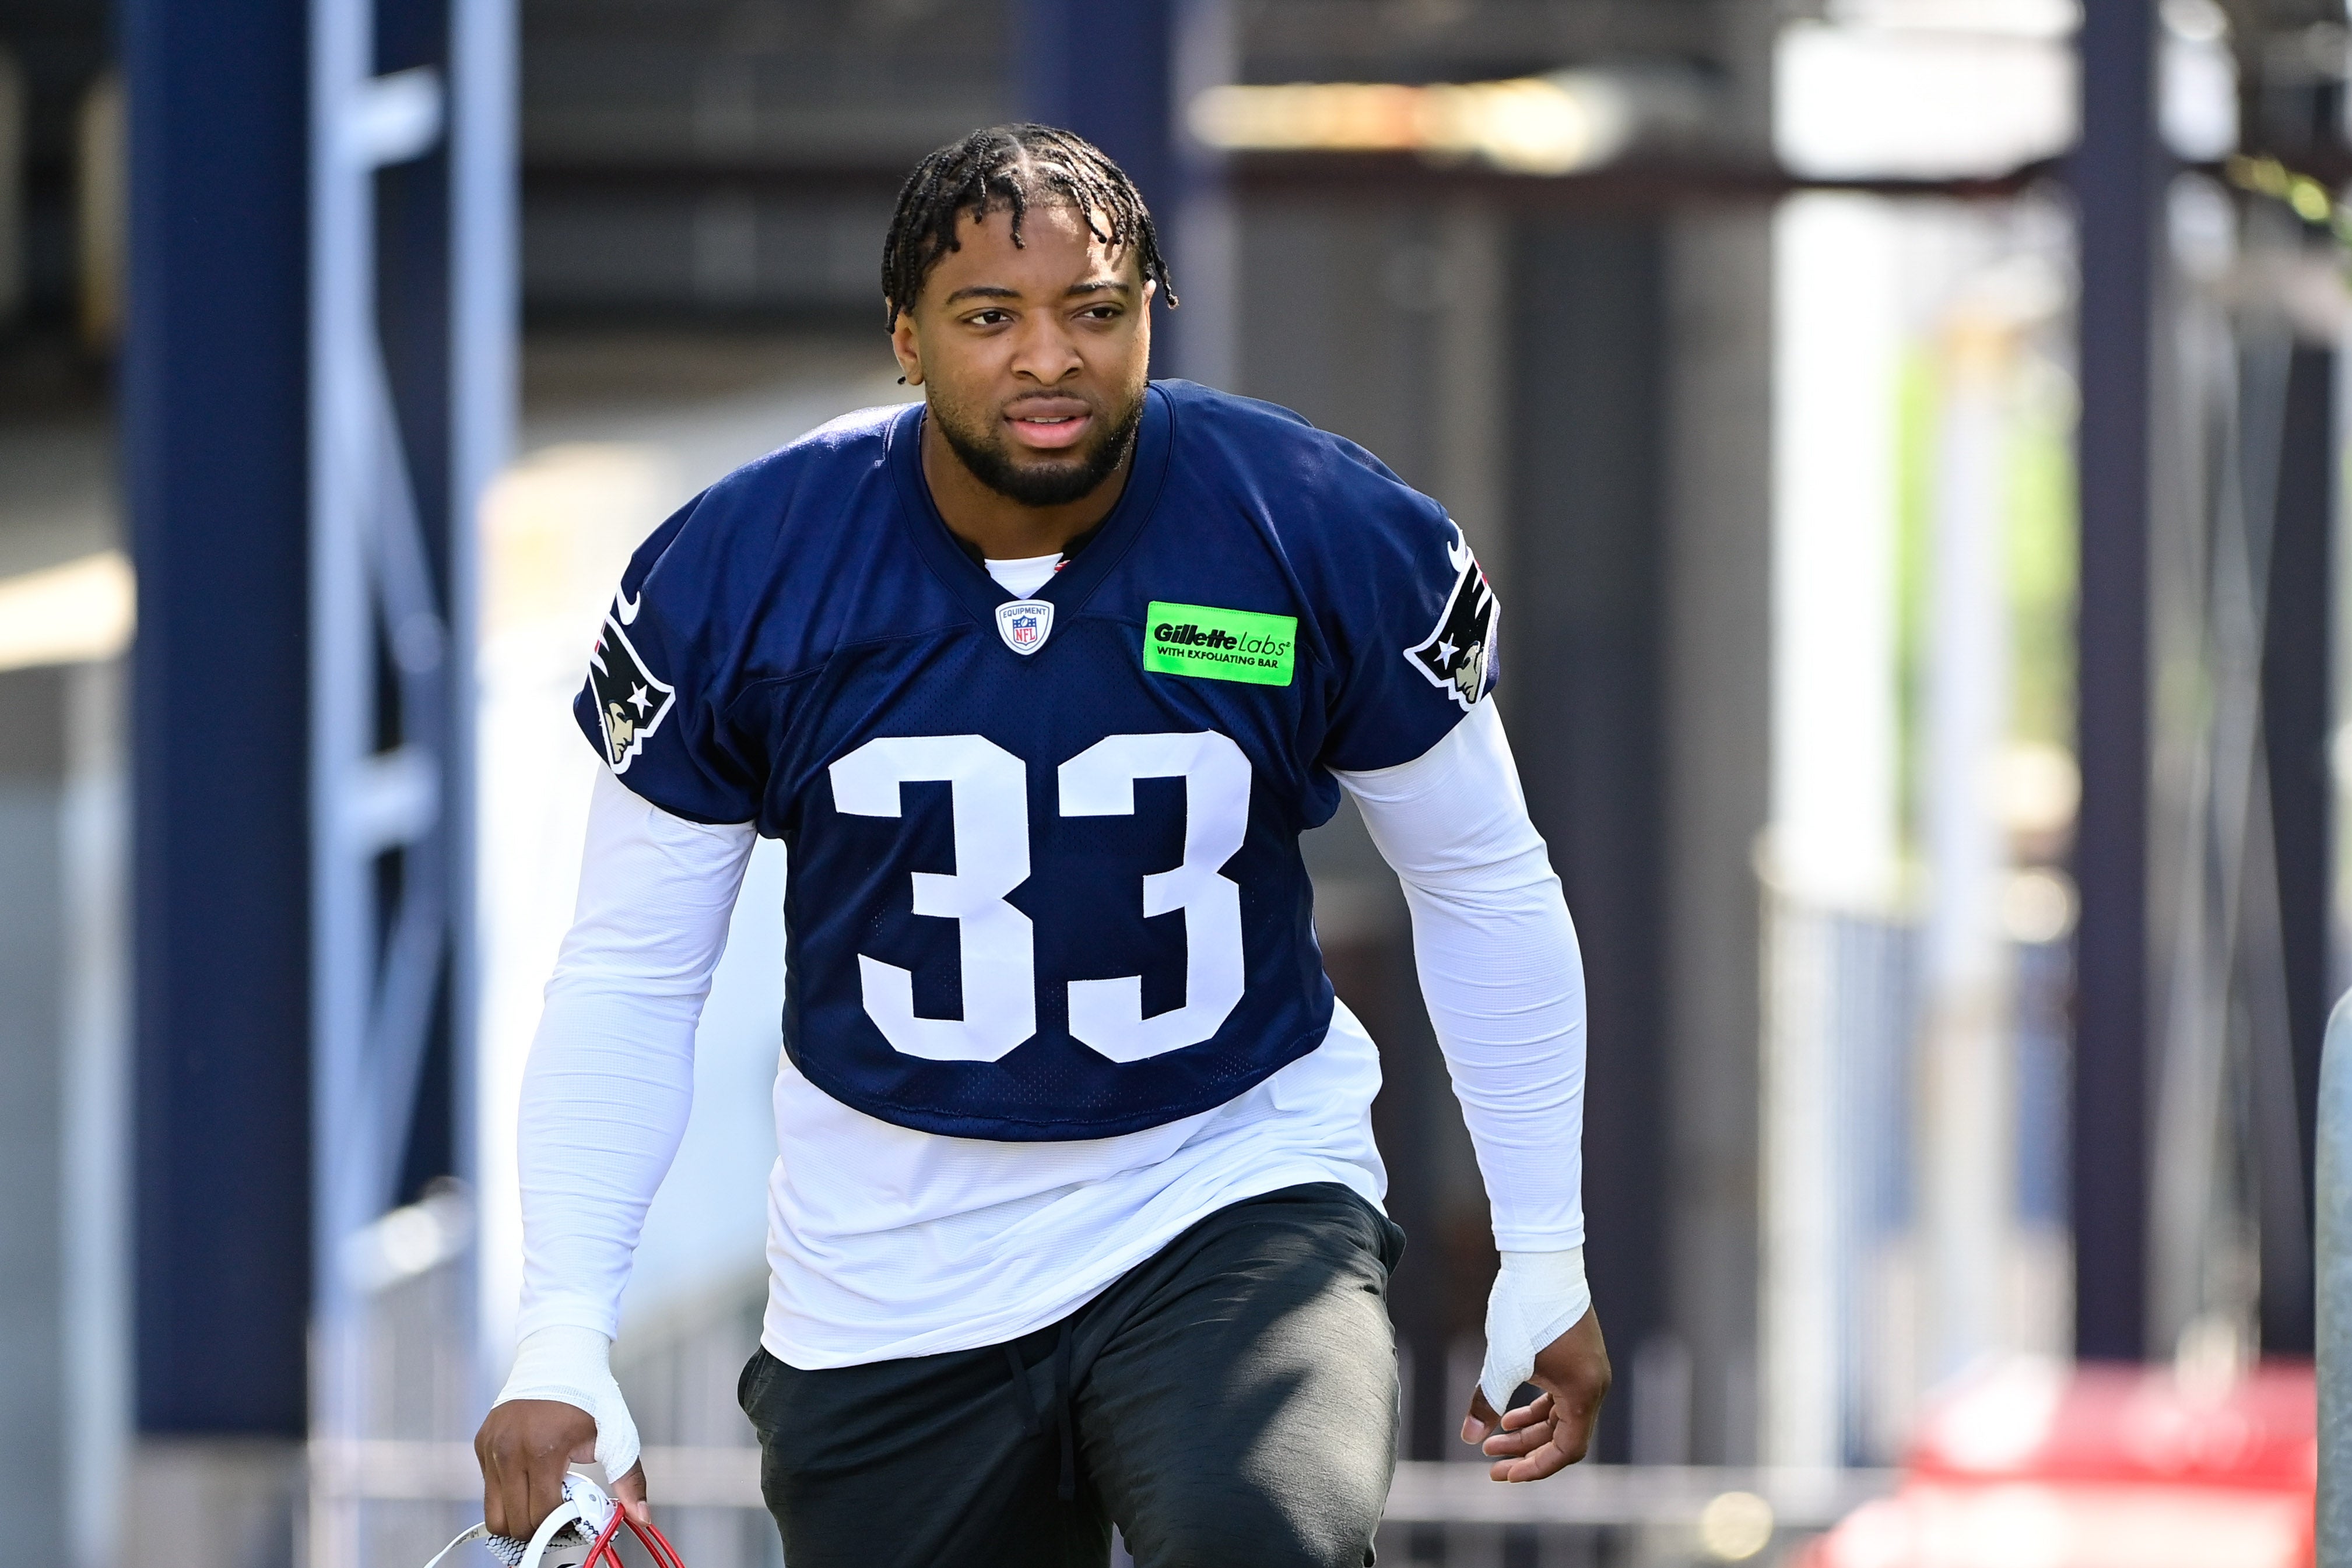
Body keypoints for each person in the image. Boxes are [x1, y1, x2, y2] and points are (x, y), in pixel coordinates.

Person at [473, 123, 1608, 1568]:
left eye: (1095, 310)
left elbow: (1482, 877)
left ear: (1152, 319)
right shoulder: (742, 573)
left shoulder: (1315, 529)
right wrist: (562, 1327)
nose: (1047, 358)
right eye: (990, 315)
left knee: (1263, 1540)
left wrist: (1545, 1245)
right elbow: (631, 971)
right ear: (907, 336)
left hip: (1224, 1180)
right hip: (892, 1262)